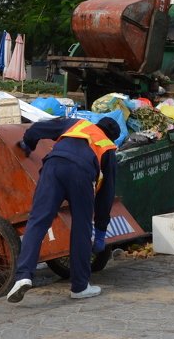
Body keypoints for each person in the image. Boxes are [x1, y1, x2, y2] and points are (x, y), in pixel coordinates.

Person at [7, 116, 120, 303]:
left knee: (37, 221)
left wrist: (29, 144)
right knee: (81, 228)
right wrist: (100, 230)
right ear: (113, 137)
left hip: (53, 166)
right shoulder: (108, 148)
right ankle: (80, 286)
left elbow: (38, 128)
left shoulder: (78, 124)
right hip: (81, 174)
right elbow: (106, 194)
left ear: (97, 124)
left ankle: (23, 276)